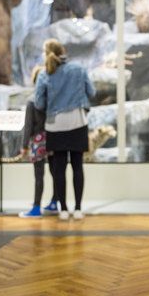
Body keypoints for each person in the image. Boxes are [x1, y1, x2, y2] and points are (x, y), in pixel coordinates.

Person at [34, 39, 95, 221]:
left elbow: (39, 103)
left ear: (47, 54)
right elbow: (92, 92)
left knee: (58, 169)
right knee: (78, 167)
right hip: (78, 121)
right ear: (64, 51)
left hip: (55, 124)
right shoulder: (79, 69)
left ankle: (63, 209)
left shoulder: (45, 73)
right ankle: (77, 209)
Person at [19, 66, 58, 218]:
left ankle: (36, 208)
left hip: (37, 141)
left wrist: (23, 146)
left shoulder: (32, 101)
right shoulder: (53, 100)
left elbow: (28, 126)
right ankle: (55, 202)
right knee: (55, 173)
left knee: (39, 176)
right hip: (53, 137)